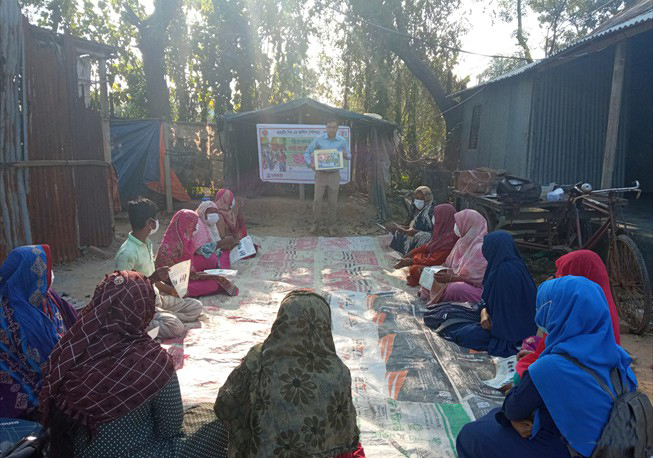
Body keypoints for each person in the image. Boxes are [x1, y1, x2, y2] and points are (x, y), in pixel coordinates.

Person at [40, 271, 229, 458]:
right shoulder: (153, 361)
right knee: (216, 425)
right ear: (143, 308)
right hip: (137, 452)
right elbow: (169, 429)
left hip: (73, 452)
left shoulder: (71, 349)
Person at [456, 276, 638, 458]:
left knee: (471, 435)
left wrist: (532, 368)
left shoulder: (552, 367)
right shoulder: (619, 357)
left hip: (573, 450)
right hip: (612, 445)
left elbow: (513, 409)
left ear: (560, 314)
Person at [214, 290, 365, 457]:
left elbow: (225, 403)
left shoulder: (258, 359)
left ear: (281, 321)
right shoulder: (339, 373)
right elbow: (346, 434)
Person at [515, 249, 622, 383]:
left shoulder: (577, 308)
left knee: (523, 376)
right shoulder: (600, 304)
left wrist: (541, 361)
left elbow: (570, 359)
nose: (558, 278)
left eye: (562, 274)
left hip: (577, 376)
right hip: (580, 369)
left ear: (577, 275)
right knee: (530, 346)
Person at [0, 245, 77, 419]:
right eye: (45, 267)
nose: (49, 273)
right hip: (27, 397)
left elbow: (75, 321)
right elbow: (48, 363)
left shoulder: (43, 297)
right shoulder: (20, 319)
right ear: (31, 273)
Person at [435, 231, 537, 357]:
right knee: (447, 313)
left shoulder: (504, 273)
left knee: (461, 333)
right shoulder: (513, 265)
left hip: (510, 332)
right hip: (503, 322)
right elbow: (491, 303)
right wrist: (484, 312)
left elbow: (507, 317)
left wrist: (489, 322)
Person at [115, 198, 203, 339]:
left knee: (196, 306)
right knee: (176, 328)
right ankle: (145, 332)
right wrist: (152, 279)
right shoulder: (127, 253)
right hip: (140, 307)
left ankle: (165, 319)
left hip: (156, 299)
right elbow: (122, 292)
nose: (157, 223)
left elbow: (154, 282)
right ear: (150, 223)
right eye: (155, 220)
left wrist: (172, 291)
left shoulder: (146, 244)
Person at [156, 209, 239, 298]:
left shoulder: (186, 239)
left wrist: (197, 274)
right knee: (214, 284)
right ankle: (183, 292)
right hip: (172, 282)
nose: (195, 228)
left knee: (212, 264)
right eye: (194, 225)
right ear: (186, 225)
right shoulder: (169, 247)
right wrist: (197, 275)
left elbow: (189, 262)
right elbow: (170, 276)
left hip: (185, 273)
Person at [422, 209, 488, 305]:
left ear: (469, 224)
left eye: (458, 223)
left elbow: (476, 281)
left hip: (474, 288)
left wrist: (451, 278)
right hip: (453, 276)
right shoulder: (461, 241)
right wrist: (433, 270)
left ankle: (440, 300)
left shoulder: (480, 249)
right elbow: (448, 263)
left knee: (455, 288)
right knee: (430, 274)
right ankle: (431, 296)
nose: (456, 226)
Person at [303, 119, 351, 235]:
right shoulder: (319, 139)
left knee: (333, 202)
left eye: (333, 127)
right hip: (321, 175)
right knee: (317, 200)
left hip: (334, 175)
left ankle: (331, 226)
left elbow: (349, 155)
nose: (331, 129)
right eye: (329, 127)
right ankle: (315, 224)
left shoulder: (342, 141)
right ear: (326, 128)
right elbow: (307, 152)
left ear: (337, 128)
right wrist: (311, 164)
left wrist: (345, 155)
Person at [394, 203, 458, 287]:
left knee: (415, 269)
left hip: (441, 266)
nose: (434, 218)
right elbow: (428, 246)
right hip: (433, 258)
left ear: (444, 217)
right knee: (418, 254)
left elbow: (436, 261)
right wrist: (412, 252)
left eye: (436, 215)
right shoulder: (442, 230)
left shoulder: (451, 239)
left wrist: (412, 261)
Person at [389, 186, 436, 255]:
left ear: (427, 198)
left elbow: (435, 232)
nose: (417, 200)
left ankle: (415, 254)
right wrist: (400, 228)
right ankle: (406, 252)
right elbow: (411, 224)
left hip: (425, 236)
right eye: (416, 198)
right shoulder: (414, 208)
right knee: (398, 232)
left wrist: (416, 231)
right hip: (412, 232)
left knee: (423, 236)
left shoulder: (432, 212)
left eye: (420, 198)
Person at [194, 200, 239, 271]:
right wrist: (222, 243)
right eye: (211, 212)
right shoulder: (198, 226)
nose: (214, 214)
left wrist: (229, 244)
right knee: (214, 260)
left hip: (213, 254)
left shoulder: (212, 226)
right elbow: (200, 250)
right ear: (203, 213)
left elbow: (217, 245)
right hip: (199, 257)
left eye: (216, 212)